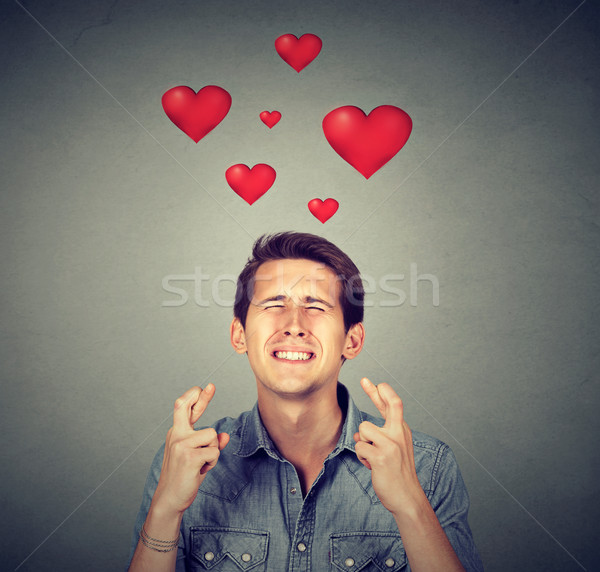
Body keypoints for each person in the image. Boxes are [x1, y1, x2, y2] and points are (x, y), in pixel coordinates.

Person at [127, 231, 484, 571]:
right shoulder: (185, 462)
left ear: (352, 340)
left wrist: (410, 505)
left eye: (315, 306)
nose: (294, 324)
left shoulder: (427, 467)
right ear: (239, 335)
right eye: (273, 304)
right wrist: (166, 511)